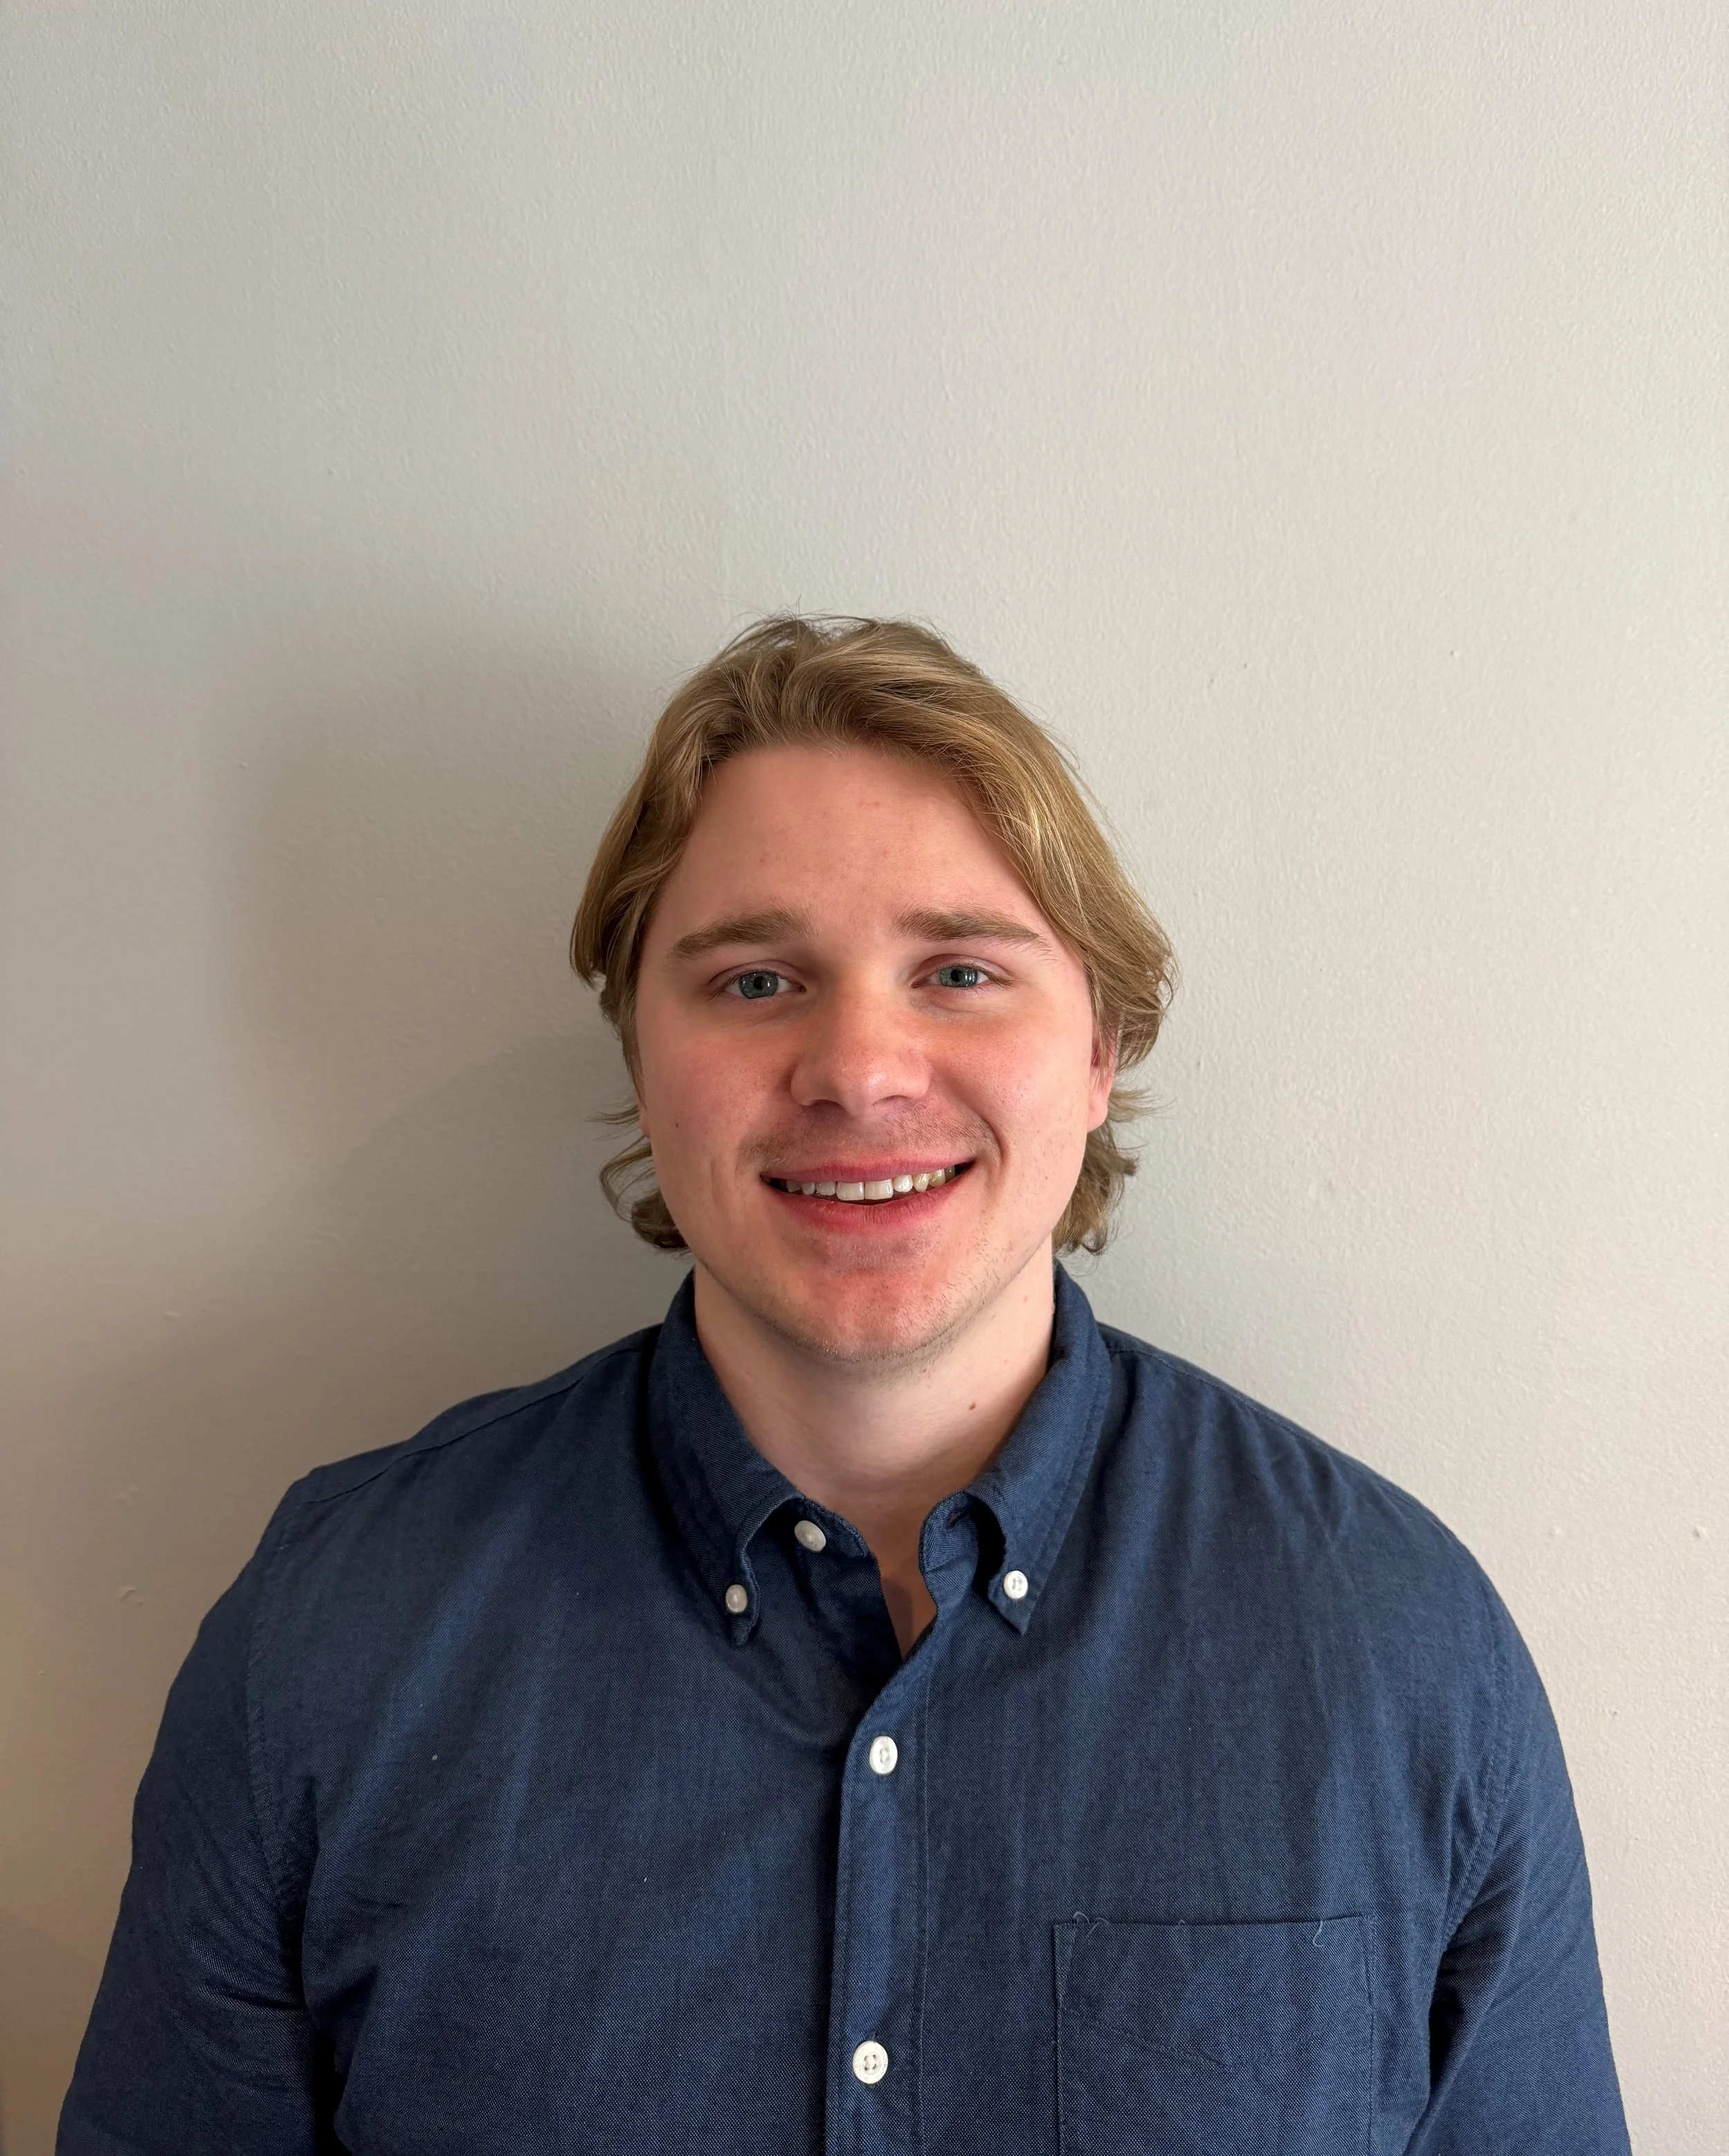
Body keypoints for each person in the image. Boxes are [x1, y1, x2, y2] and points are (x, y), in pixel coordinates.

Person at [60, 616, 1629, 2153]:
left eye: (959, 971)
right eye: (755, 982)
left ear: (1099, 1051)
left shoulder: (1395, 1648)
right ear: (639, 1060)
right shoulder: (336, 1635)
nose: (860, 1071)